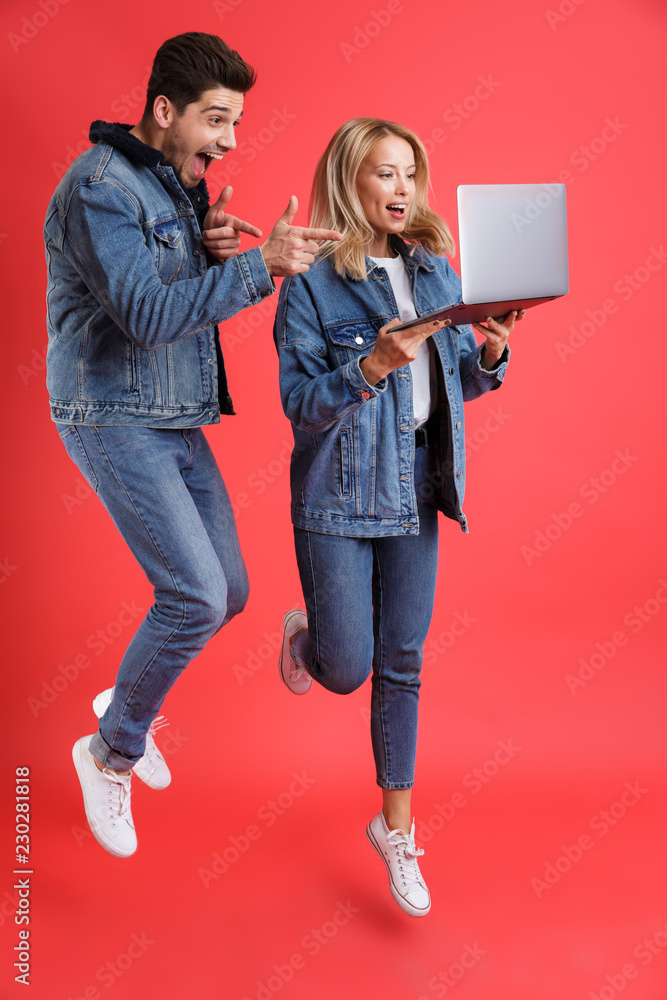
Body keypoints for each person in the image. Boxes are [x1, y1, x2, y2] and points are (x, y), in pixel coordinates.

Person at [45, 31, 340, 859]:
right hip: (111, 412)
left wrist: (204, 246)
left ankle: (123, 703)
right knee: (195, 598)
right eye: (216, 120)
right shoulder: (102, 186)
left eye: (236, 123)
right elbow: (142, 315)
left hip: (170, 410)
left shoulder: (168, 179)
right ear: (164, 110)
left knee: (232, 590)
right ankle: (109, 751)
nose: (229, 141)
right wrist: (259, 269)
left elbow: (153, 287)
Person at [275, 118, 524, 917]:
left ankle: (396, 831)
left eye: (409, 174)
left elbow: (456, 390)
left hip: (418, 484)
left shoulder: (438, 272)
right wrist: (370, 366)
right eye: (384, 174)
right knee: (345, 670)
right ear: (351, 182)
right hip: (338, 493)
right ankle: (305, 637)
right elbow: (300, 408)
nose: (401, 190)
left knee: (403, 661)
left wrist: (488, 353)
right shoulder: (311, 286)